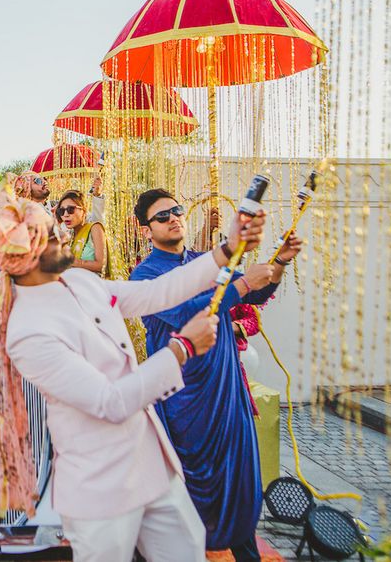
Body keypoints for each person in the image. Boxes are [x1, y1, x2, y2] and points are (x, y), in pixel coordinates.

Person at [0, 182, 267, 562]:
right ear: (27, 257)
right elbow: (110, 402)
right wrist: (182, 349)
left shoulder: (80, 280)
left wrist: (226, 250)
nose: (64, 234)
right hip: (100, 491)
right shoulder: (28, 331)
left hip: (152, 466)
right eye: (52, 235)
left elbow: (156, 293)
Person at [129, 188, 302, 560]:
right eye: (162, 216)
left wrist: (280, 263)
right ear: (146, 230)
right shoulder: (144, 274)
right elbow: (185, 313)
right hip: (184, 400)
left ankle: (242, 549)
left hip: (226, 390)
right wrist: (240, 284)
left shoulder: (203, 260)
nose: (174, 217)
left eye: (176, 210)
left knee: (238, 481)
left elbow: (253, 295)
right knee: (187, 489)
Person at [56, 189, 108, 277]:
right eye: (61, 211)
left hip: (92, 286)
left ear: (83, 210)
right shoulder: (69, 234)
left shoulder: (95, 228)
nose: (65, 214)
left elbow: (101, 265)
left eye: (70, 209)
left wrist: (72, 261)